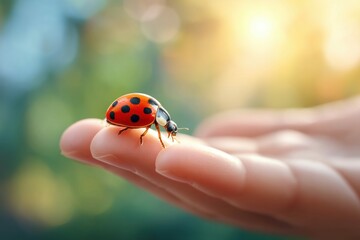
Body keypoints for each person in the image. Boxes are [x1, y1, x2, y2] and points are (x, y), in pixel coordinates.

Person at [60, 96, 360, 239]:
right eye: (169, 129)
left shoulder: (155, 116)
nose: (169, 131)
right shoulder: (153, 116)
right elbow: (143, 119)